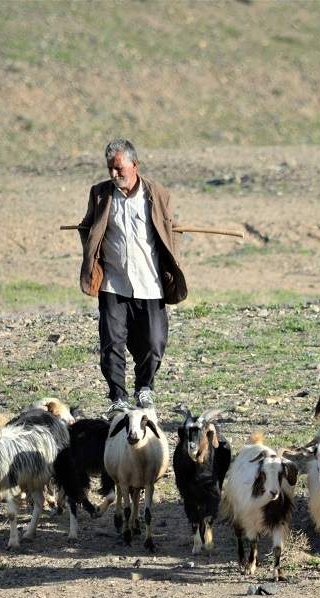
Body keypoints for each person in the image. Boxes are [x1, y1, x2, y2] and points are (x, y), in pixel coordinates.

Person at [78, 139, 187, 414]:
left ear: (134, 165)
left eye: (118, 168)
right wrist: (94, 259)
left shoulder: (157, 193)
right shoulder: (100, 194)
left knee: (153, 342)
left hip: (150, 283)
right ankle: (118, 397)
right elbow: (87, 228)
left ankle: (144, 388)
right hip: (114, 283)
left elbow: (171, 231)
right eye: (110, 169)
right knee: (112, 341)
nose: (114, 175)